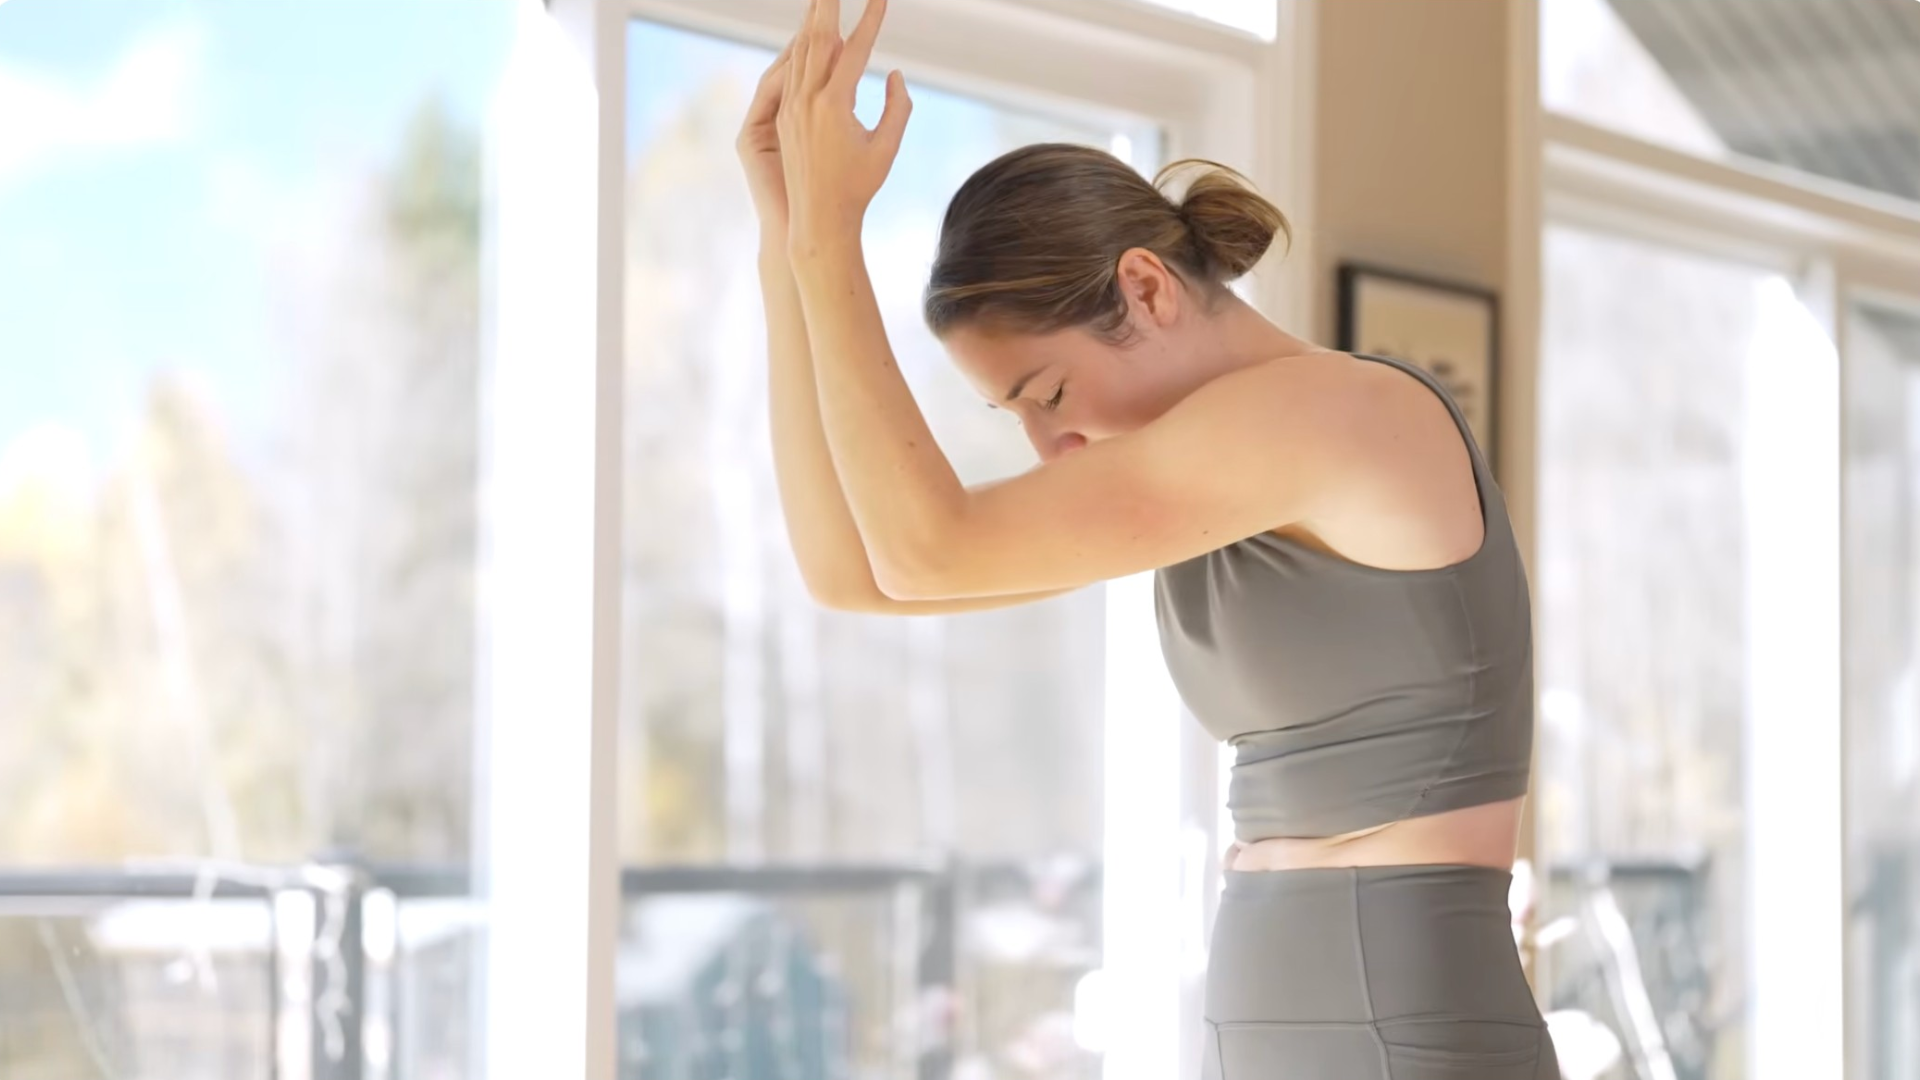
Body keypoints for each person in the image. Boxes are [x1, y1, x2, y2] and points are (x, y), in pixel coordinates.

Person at [739, 1, 1560, 1076]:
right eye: (1021, 417)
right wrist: (783, 251)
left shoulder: (1333, 414)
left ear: (1144, 286)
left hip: (1409, 1032)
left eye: (1051, 393)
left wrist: (828, 240)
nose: (1050, 445)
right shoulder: (1216, 487)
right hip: (1269, 1024)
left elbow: (926, 549)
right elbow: (855, 571)